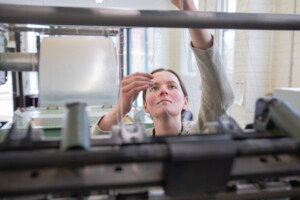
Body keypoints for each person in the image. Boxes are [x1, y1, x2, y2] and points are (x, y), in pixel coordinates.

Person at [91, 0, 234, 136]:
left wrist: (189, 7)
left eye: (171, 87)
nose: (164, 91)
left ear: (185, 102)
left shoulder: (200, 132)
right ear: (145, 106)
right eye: (154, 88)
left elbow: (217, 95)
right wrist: (120, 107)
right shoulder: (136, 140)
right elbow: (93, 141)